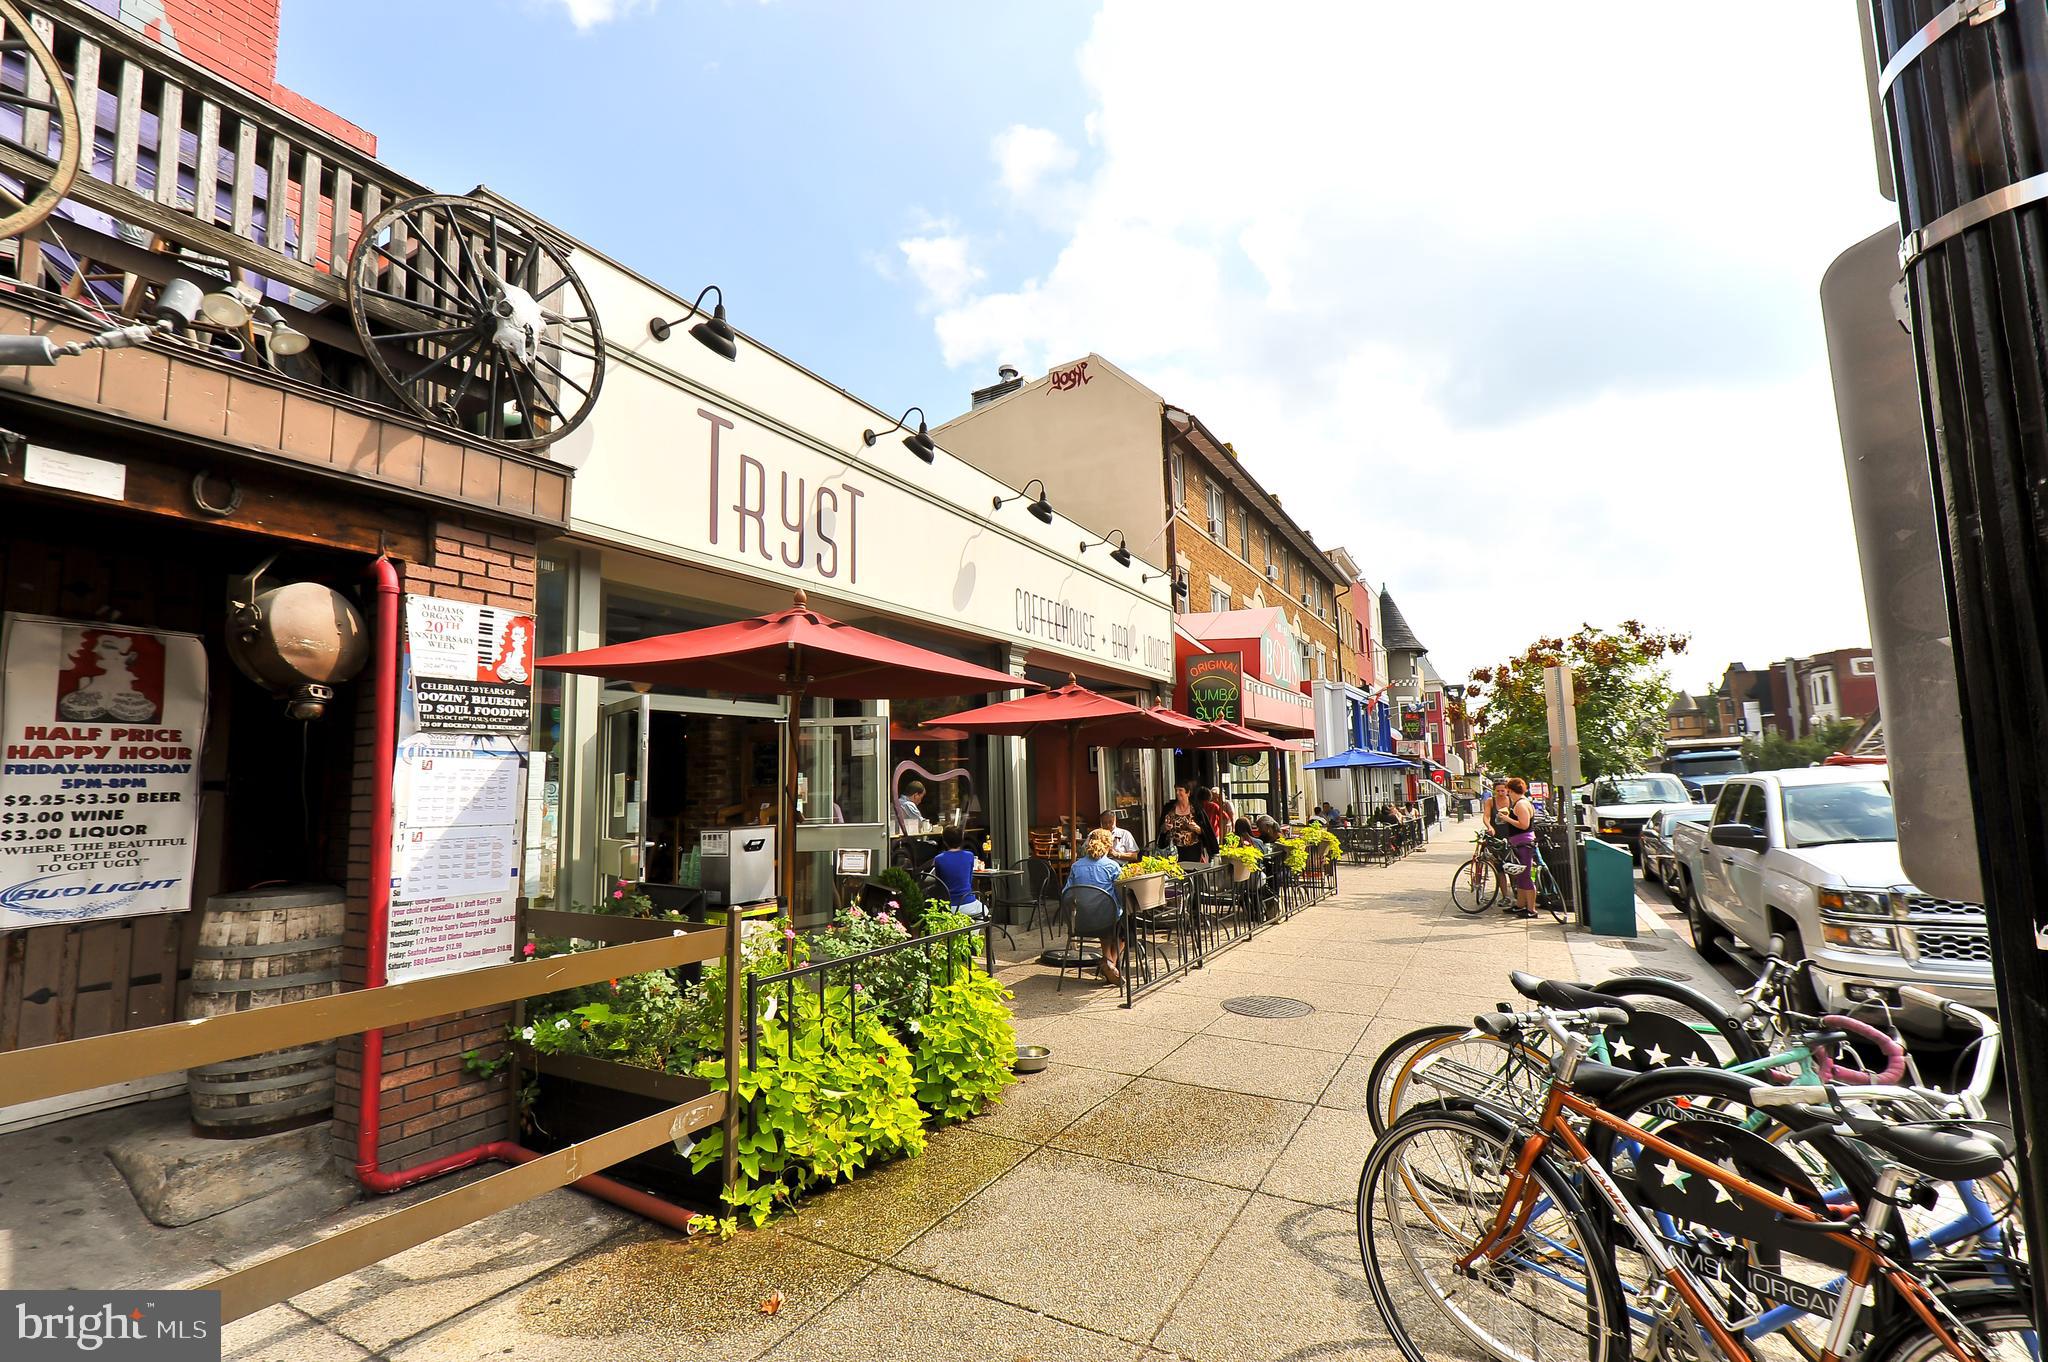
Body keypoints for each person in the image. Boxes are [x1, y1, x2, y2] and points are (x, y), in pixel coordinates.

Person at [1066, 827, 1126, 983]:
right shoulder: (1112, 866)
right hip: (1107, 920)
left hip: (1082, 922)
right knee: (1127, 925)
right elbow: (1121, 895)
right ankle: (1109, 963)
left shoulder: (1076, 866)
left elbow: (1067, 894)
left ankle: (1107, 961)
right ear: (1108, 846)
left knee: (1101, 914)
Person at [1499, 777, 1539, 919]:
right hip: (1519, 843)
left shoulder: (1521, 804)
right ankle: (1520, 905)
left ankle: (1531, 909)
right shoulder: (1520, 803)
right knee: (1521, 876)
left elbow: (1523, 824)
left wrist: (1506, 819)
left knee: (1526, 876)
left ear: (1510, 790)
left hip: (1524, 844)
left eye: (1507, 790)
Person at [929, 824, 985, 919]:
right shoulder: (969, 856)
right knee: (985, 913)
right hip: (968, 902)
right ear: (962, 839)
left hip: (948, 906)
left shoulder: (939, 859)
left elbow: (939, 883)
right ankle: (973, 933)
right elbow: (969, 880)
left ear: (944, 841)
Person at [1158, 783, 1215, 865]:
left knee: (1193, 874)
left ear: (1188, 793)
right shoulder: (1169, 808)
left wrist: (1197, 828)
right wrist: (1165, 828)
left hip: (1193, 850)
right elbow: (1161, 829)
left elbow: (1206, 830)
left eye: (1180, 790)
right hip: (1173, 850)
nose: (1177, 793)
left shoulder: (1196, 809)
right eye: (1176, 790)